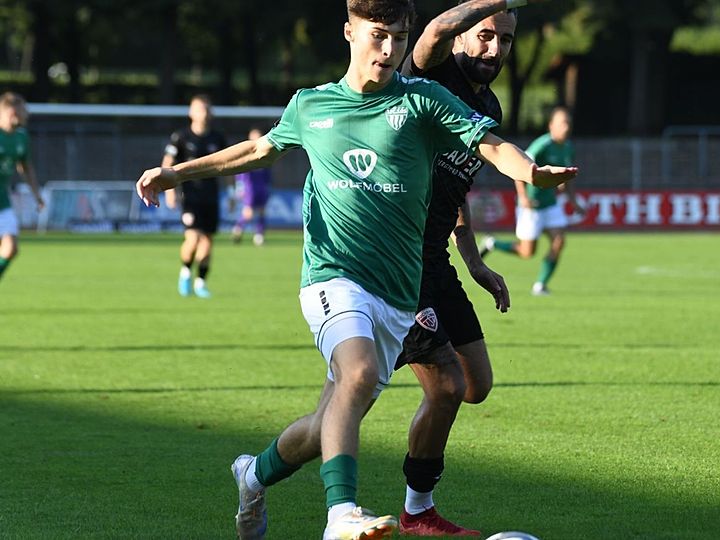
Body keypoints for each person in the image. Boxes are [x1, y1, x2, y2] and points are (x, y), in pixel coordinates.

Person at [134, 1, 577, 539]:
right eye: (377, 36)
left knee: (329, 422)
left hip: (399, 288)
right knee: (364, 375)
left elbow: (488, 145)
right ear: (349, 32)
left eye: (397, 37)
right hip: (333, 276)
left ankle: (253, 475)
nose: (389, 50)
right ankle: (342, 516)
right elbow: (256, 151)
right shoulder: (312, 106)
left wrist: (529, 171)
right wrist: (174, 174)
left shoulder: (422, 101)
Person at [394, 0, 543, 535]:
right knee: (446, 389)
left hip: (436, 257)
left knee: (476, 383)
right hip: (397, 258)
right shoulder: (431, 76)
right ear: (461, 36)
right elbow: (431, 31)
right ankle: (417, 511)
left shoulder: (489, 106)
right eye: (484, 35)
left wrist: (475, 260)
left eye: (504, 39)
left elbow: (459, 188)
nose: (493, 48)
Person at [481, 105, 584, 295]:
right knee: (527, 252)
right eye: (562, 123)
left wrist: (573, 201)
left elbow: (567, 178)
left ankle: (541, 285)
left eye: (568, 123)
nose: (566, 127)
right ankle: (493, 243)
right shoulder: (541, 145)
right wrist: (524, 197)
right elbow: (519, 169)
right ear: (551, 126)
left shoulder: (568, 147)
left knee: (559, 241)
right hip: (532, 206)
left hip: (550, 204)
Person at [162, 94, 229, 298]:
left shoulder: (217, 138)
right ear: (191, 113)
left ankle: (200, 282)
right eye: (200, 109)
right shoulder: (181, 137)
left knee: (207, 243)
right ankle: (184, 273)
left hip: (211, 197)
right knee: (192, 238)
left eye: (207, 109)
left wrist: (234, 193)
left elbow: (229, 164)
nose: (204, 113)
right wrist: (169, 190)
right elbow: (168, 164)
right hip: (190, 197)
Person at [0, 92, 44, 282]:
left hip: (2, 199)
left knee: (11, 248)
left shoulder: (21, 137)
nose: (25, 114)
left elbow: (25, 168)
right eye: (21, 110)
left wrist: (37, 195)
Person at [231, 127, 272, 247]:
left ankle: (259, 236)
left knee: (262, 212)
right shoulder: (247, 154)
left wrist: (268, 185)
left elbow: (268, 172)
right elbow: (241, 172)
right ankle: (237, 229)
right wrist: (240, 187)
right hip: (250, 188)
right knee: (248, 214)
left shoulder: (265, 152)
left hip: (262, 187)